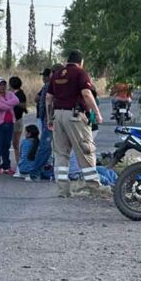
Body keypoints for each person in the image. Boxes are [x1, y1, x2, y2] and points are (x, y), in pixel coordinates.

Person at [46, 50, 111, 198]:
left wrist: (49, 118)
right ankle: (94, 188)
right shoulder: (80, 73)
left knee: (61, 154)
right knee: (86, 150)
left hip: (58, 116)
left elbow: (49, 98)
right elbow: (87, 94)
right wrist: (97, 113)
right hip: (75, 116)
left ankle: (63, 190)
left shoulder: (56, 74)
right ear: (81, 62)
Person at [0, 77, 19, 175]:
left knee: (6, 145)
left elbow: (16, 101)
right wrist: (9, 105)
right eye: (0, 85)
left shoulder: (9, 94)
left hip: (9, 123)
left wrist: (5, 103)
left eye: (4, 84)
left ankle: (6, 166)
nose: (2, 87)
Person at [9, 76, 28, 178]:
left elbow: (23, 106)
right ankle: (18, 164)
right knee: (14, 143)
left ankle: (19, 165)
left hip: (17, 120)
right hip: (13, 119)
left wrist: (14, 103)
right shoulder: (14, 94)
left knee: (16, 144)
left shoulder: (19, 94)